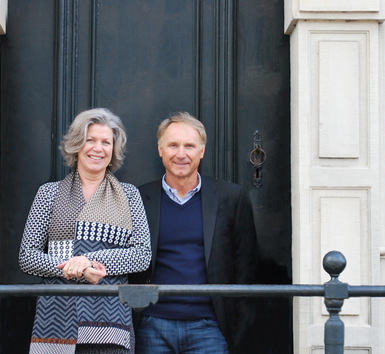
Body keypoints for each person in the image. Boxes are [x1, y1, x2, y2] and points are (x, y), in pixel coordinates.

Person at [19, 108, 151, 354]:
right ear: (77, 144)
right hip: (56, 320)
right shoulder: (48, 194)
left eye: (106, 142)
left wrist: (90, 260)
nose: (98, 148)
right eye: (90, 140)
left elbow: (142, 255)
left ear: (113, 150)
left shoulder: (129, 196)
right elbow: (27, 256)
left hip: (111, 323)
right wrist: (72, 269)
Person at [130, 112, 258, 354]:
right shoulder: (138, 198)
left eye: (189, 145)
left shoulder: (231, 198)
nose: (181, 154)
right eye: (173, 145)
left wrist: (237, 331)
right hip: (151, 325)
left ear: (202, 151)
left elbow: (246, 268)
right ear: (160, 150)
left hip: (210, 328)